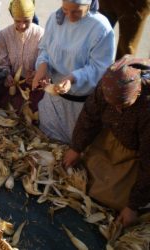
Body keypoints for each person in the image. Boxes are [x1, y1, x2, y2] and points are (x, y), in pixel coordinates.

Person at [63, 55, 150, 228]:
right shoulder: (106, 86)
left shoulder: (147, 107)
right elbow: (89, 116)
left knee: (116, 198)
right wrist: (76, 147)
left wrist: (133, 205)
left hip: (136, 153)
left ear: (138, 93)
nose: (117, 109)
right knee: (86, 180)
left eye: (123, 105)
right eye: (113, 105)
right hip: (111, 137)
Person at [32, 0, 115, 144]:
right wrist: (43, 67)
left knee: (75, 148)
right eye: (65, 10)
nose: (69, 16)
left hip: (80, 108)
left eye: (76, 11)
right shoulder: (54, 19)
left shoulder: (101, 28)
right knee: (48, 147)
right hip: (52, 103)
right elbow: (45, 49)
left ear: (89, 5)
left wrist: (73, 78)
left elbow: (99, 68)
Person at [0, 0, 44, 114]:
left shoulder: (41, 34)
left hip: (35, 87)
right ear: (12, 17)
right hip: (12, 86)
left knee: (33, 117)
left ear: (32, 16)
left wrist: (38, 73)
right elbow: (2, 64)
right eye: (17, 21)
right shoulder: (4, 35)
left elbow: (45, 61)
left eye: (27, 21)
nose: (22, 26)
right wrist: (6, 75)